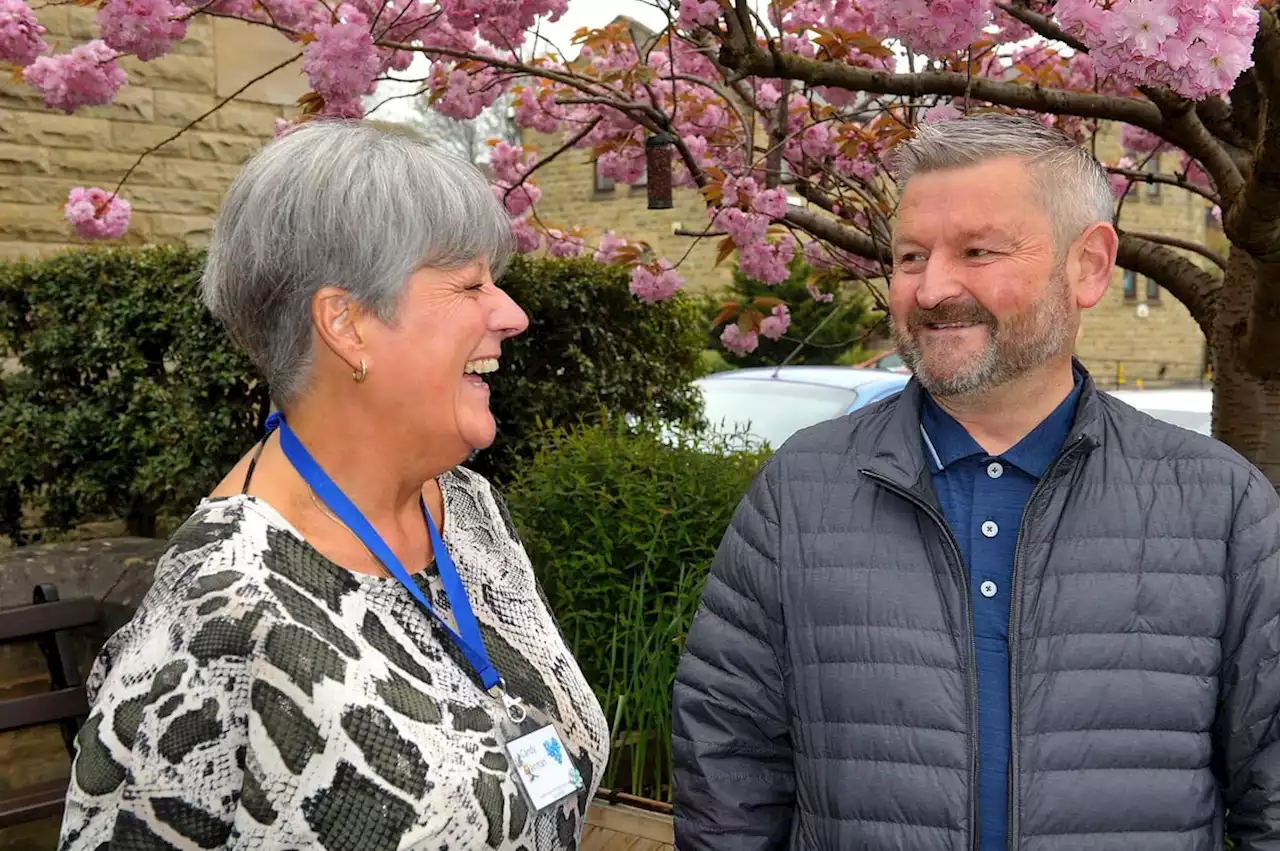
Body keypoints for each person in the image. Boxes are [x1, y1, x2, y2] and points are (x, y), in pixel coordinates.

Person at [671, 113, 1280, 850]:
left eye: (978, 251)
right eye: (909, 256)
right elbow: (727, 769)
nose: (931, 289)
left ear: (1088, 266)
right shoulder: (801, 491)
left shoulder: (1221, 507)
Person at [58, 120, 609, 851]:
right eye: (471, 283)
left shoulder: (467, 513)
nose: (512, 313)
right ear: (347, 325)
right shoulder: (222, 612)